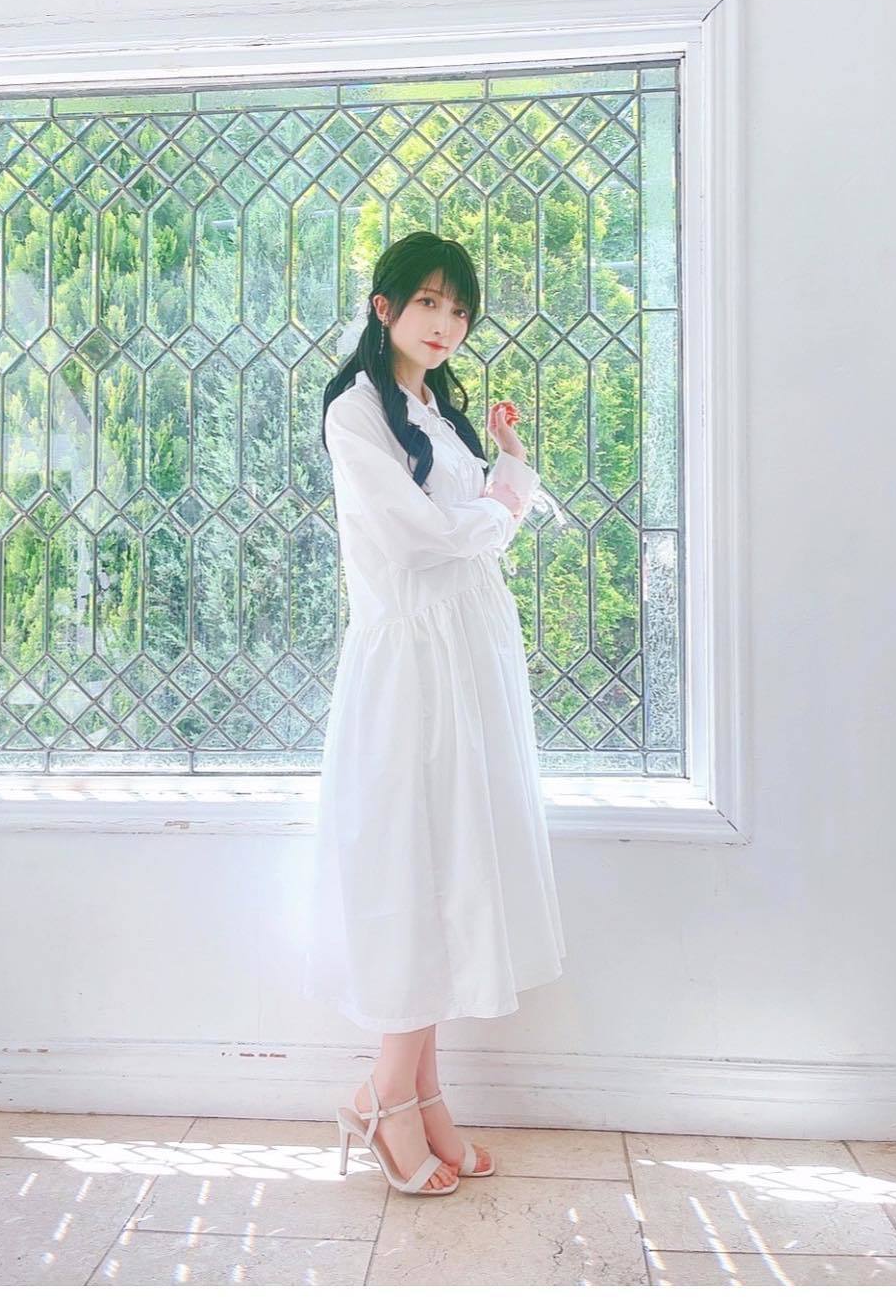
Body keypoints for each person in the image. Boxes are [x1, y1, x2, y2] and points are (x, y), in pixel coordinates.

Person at [302, 231, 566, 1195]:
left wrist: (507, 467)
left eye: (459, 309)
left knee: (453, 868)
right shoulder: (354, 412)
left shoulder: (435, 413)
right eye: (428, 303)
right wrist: (503, 508)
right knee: (415, 870)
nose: (445, 323)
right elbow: (418, 540)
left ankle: (421, 1094)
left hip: (465, 661)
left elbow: (475, 521)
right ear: (385, 308)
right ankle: (384, 1094)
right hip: (412, 668)